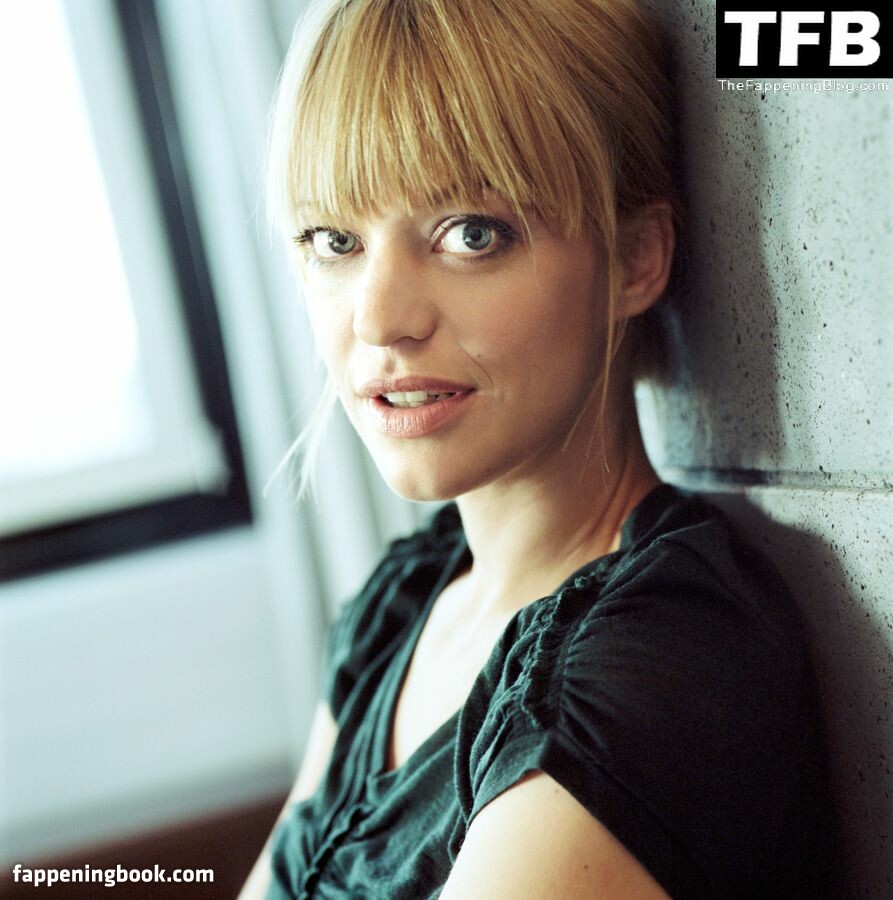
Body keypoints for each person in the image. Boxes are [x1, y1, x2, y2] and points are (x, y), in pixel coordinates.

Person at [240, 0, 835, 896]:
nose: (378, 318)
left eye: (471, 234)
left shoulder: (661, 659)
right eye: (336, 242)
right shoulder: (403, 601)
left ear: (636, 257)